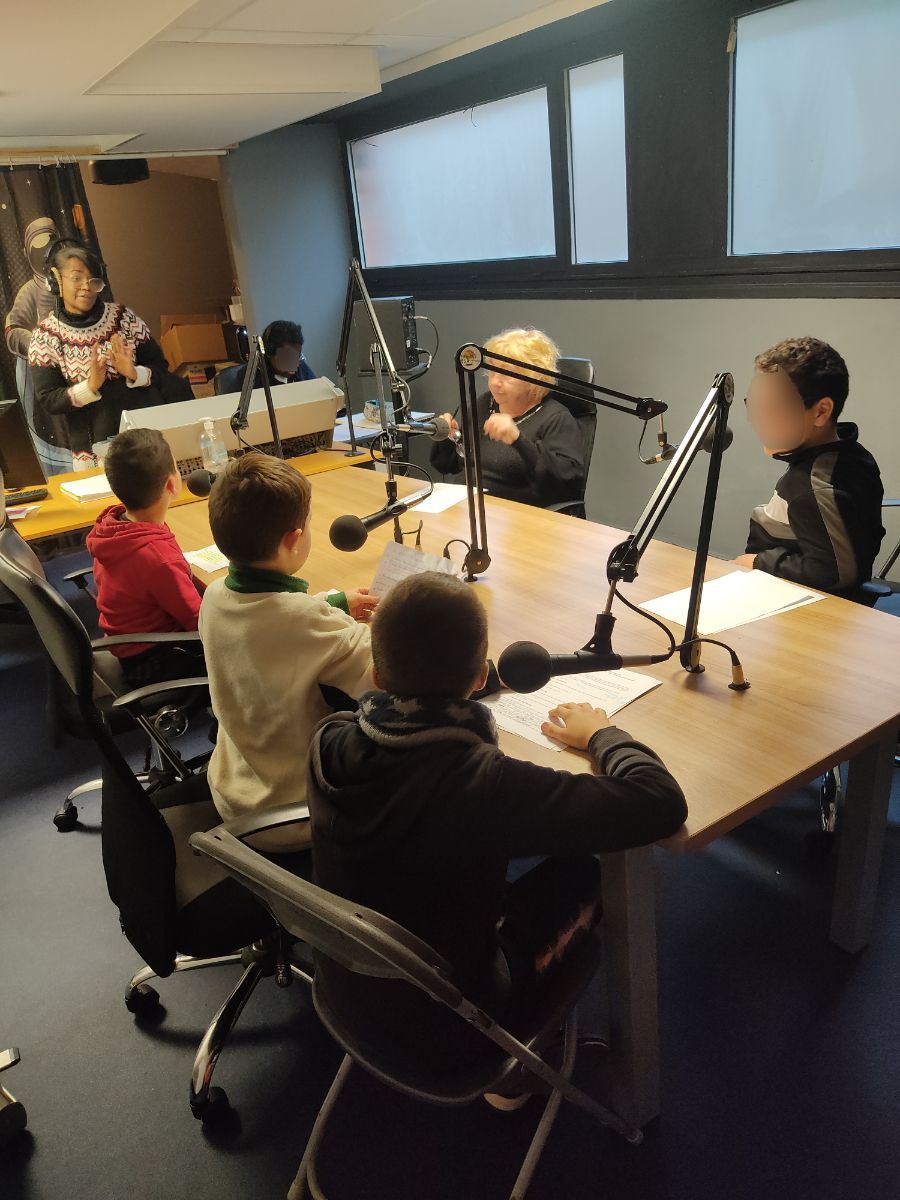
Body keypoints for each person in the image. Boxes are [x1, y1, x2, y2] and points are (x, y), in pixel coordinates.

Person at [307, 571, 687, 1091]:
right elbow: (659, 802)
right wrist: (602, 733)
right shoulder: (485, 785)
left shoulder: (328, 739)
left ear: (375, 675)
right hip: (453, 1027)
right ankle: (518, 1075)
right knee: (583, 873)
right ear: (479, 675)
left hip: (345, 989)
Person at [198, 453, 378, 852]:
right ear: (294, 540)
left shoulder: (214, 596)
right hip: (294, 815)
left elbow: (274, 619)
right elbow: (385, 675)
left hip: (233, 791)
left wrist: (335, 603)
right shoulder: (303, 621)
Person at [735, 336, 884, 597]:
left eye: (772, 408)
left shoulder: (814, 485)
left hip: (792, 597)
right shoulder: (848, 455)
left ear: (820, 412)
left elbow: (835, 573)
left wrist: (759, 562)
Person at [28, 241, 191, 469]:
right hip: (93, 453)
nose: (86, 287)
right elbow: (49, 400)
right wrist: (90, 386)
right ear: (55, 281)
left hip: (148, 444)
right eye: (76, 278)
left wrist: (134, 373)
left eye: (93, 280)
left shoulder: (124, 318)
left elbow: (160, 368)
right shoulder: (45, 337)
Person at [87, 428, 205, 688]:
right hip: (154, 660)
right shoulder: (157, 558)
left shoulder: (114, 527)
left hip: (129, 644)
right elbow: (199, 623)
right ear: (172, 484)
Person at [430, 326, 585, 509]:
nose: (495, 382)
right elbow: (448, 465)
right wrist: (448, 437)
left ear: (534, 378)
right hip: (467, 507)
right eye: (492, 371)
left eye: (506, 374)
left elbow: (564, 485)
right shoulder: (484, 403)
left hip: (516, 515)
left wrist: (517, 439)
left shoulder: (556, 419)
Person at [3, 217, 72, 473]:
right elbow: (12, 329)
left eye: (49, 247)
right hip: (43, 375)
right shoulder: (29, 291)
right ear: (27, 252)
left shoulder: (72, 284)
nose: (44, 255)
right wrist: (39, 343)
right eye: (38, 249)